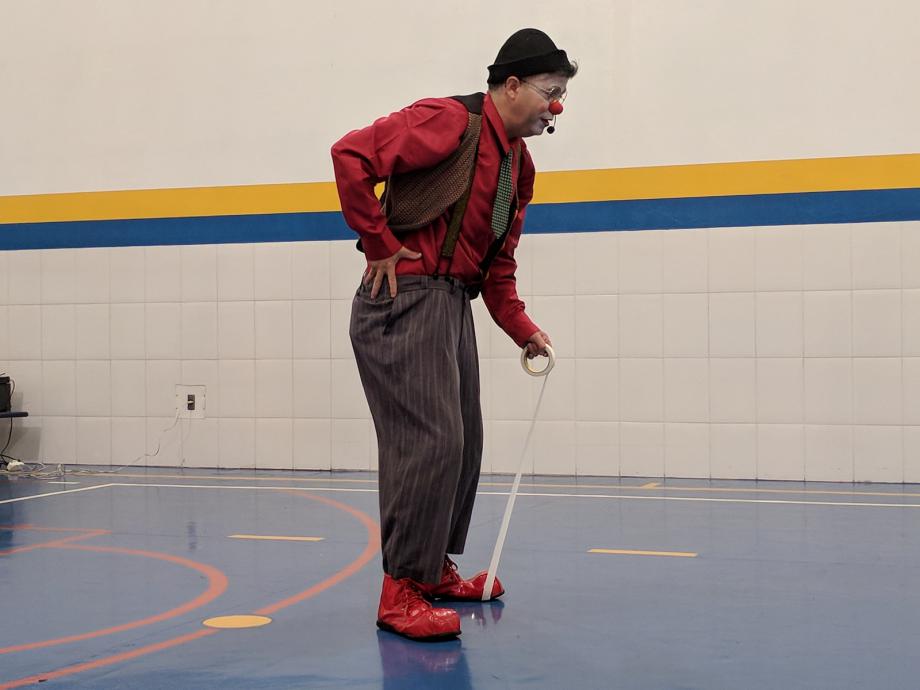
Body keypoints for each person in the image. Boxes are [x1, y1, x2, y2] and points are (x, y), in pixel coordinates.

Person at [331, 28, 577, 641]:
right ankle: (400, 591)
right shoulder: (448, 121)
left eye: (563, 95)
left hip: (450, 305)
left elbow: (498, 265)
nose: (556, 107)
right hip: (403, 300)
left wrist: (521, 328)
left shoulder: (519, 168)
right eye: (549, 91)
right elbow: (350, 156)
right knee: (431, 442)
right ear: (511, 85)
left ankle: (432, 569)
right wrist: (379, 243)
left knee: (463, 443)